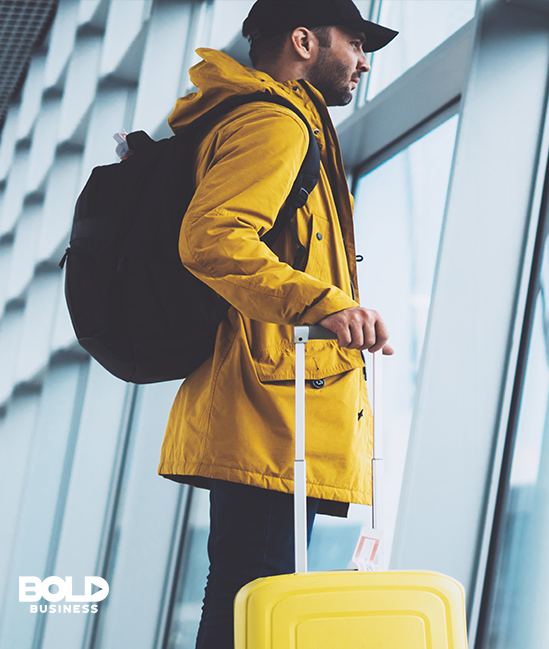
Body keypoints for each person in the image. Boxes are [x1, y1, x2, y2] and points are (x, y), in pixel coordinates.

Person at [154, 1, 398, 646]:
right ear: (303, 41)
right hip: (273, 406)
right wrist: (327, 304)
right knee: (256, 598)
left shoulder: (267, 120)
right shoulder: (274, 123)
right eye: (354, 43)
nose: (364, 61)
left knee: (251, 595)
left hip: (269, 396)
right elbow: (212, 241)